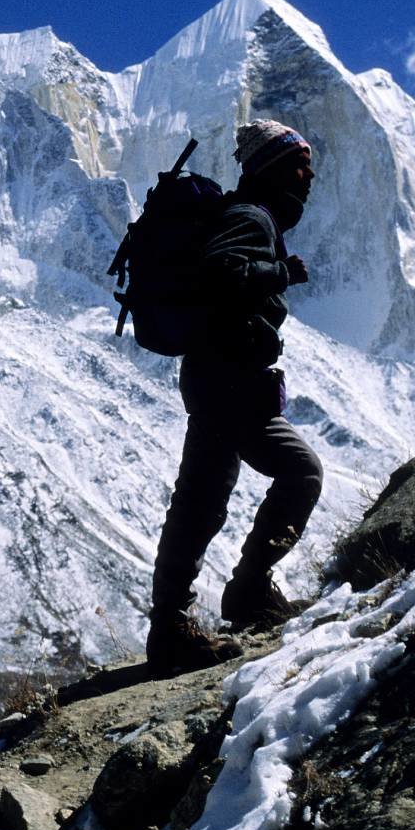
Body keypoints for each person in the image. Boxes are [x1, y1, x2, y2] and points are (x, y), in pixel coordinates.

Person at [147, 119, 325, 674]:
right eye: (299, 163)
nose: (309, 175)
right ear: (272, 168)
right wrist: (280, 272)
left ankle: (173, 625)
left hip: (219, 375)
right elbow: (222, 271)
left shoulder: (250, 214)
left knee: (200, 500)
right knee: (299, 472)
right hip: (228, 378)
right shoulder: (251, 216)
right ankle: (245, 592)